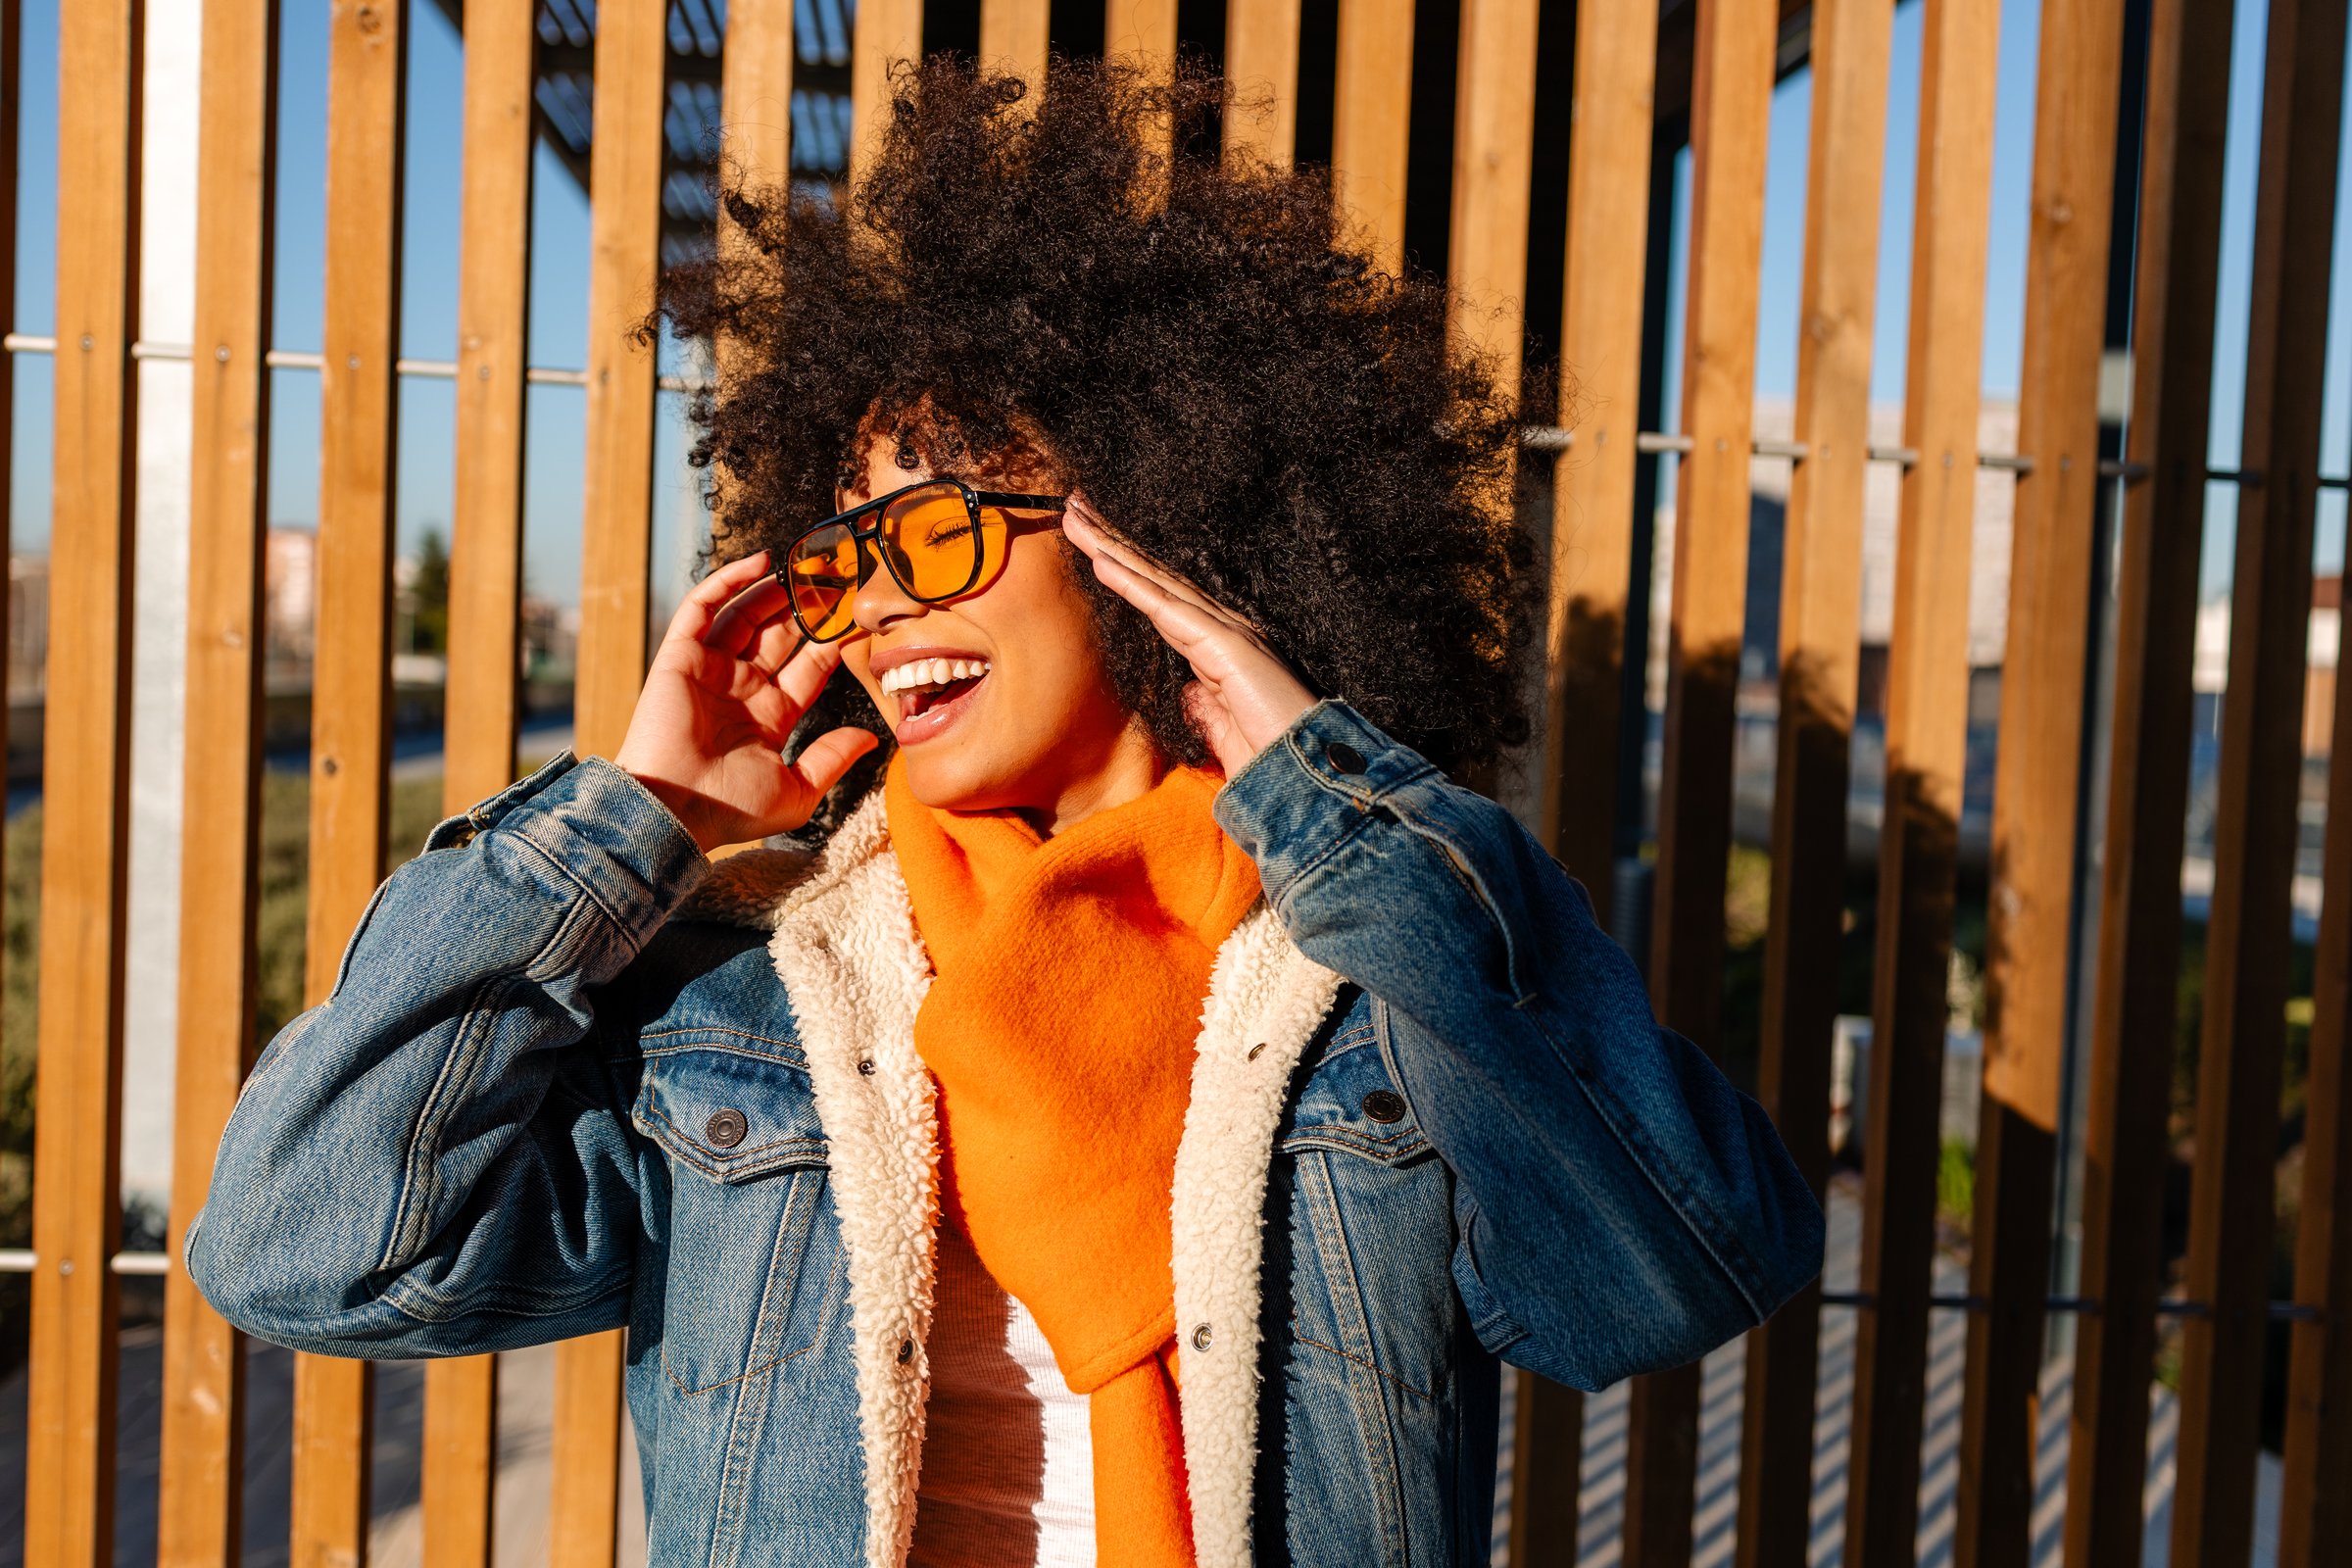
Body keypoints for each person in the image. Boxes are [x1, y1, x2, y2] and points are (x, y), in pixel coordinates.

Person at [187, 57, 1823, 1568]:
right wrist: (629, 825)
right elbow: (302, 1249)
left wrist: (1357, 826)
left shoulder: (1382, 978)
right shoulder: (737, 1011)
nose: (880, 603)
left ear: (1163, 525)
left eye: (944, 528)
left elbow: (1662, 1282)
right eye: (845, 555)